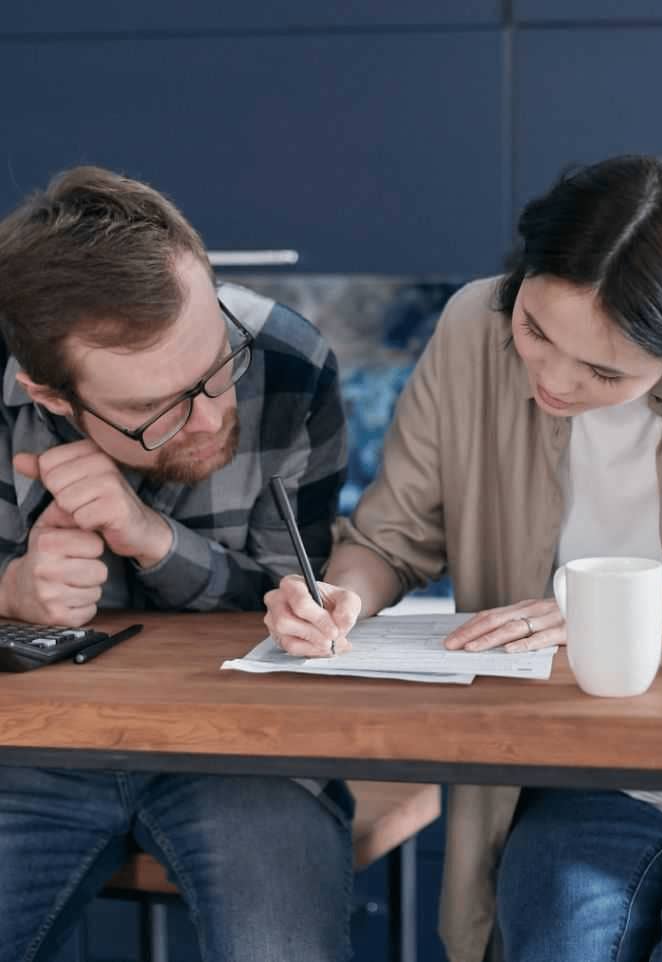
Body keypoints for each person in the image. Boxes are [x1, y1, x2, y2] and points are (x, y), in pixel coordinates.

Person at [264, 154, 662, 962]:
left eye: (603, 370)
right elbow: (390, 537)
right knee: (548, 938)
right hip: (584, 763)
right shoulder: (475, 323)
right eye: (537, 332)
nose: (550, 377)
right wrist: (340, 596)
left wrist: (619, 614)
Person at [0, 166, 352, 962]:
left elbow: (293, 593)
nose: (213, 414)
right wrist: (11, 588)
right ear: (51, 396)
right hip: (26, 750)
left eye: (217, 365)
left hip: (251, 747)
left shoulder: (290, 362)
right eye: (154, 409)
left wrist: (149, 537)